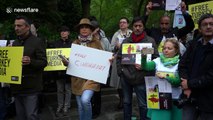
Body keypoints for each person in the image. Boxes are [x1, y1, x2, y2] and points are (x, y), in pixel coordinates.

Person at [116, 16, 158, 120]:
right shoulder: (126, 42)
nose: (137, 28)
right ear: (132, 27)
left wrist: (146, 67)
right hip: (126, 77)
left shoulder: (150, 41)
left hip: (142, 78)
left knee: (143, 104)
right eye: (135, 26)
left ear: (143, 27)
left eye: (140, 26)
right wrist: (120, 71)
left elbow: (155, 58)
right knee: (126, 102)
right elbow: (119, 58)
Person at [62, 18, 103, 120]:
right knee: (80, 106)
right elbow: (73, 62)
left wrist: (109, 60)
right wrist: (66, 62)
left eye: (87, 27)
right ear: (79, 30)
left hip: (92, 79)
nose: (84, 29)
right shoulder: (75, 43)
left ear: (90, 30)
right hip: (77, 79)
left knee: (85, 101)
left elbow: (103, 59)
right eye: (82, 27)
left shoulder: (96, 42)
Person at [10, 16, 47, 120]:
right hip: (17, 87)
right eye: (15, 26)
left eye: (19, 25)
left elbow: (44, 62)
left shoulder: (37, 42)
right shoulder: (14, 44)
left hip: (32, 87)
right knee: (20, 116)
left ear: (27, 27)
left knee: (31, 116)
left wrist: (31, 61)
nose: (16, 28)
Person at [179, 14, 213, 120]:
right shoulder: (194, 44)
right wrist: (186, 86)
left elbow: (211, 77)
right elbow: (182, 65)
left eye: (211, 24)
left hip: (209, 100)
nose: (208, 27)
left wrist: (189, 84)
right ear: (200, 28)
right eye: (205, 24)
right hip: (190, 96)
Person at [142, 38, 182, 120]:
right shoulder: (157, 61)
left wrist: (166, 77)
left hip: (174, 98)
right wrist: (143, 57)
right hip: (159, 99)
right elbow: (145, 67)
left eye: (169, 48)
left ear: (176, 50)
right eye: (164, 48)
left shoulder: (180, 63)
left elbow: (178, 82)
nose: (166, 50)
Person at [90, 20, 112, 119]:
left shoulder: (105, 40)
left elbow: (109, 52)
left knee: (97, 91)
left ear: (98, 29)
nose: (92, 31)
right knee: (89, 90)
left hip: (100, 69)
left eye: (93, 29)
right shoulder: (87, 39)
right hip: (89, 68)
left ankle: (96, 110)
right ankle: (90, 108)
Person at [110, 17, 132, 109]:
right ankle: (121, 100)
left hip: (129, 59)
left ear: (127, 24)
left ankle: (128, 100)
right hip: (118, 59)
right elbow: (111, 47)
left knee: (128, 80)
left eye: (124, 22)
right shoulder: (116, 34)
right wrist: (116, 47)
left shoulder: (131, 33)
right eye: (120, 22)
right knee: (118, 82)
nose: (122, 24)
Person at [53, 26, 72, 117]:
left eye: (65, 31)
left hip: (69, 70)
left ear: (68, 33)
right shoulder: (55, 43)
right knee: (59, 89)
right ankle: (60, 106)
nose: (63, 33)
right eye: (61, 31)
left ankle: (66, 106)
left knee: (68, 89)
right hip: (59, 71)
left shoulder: (73, 43)